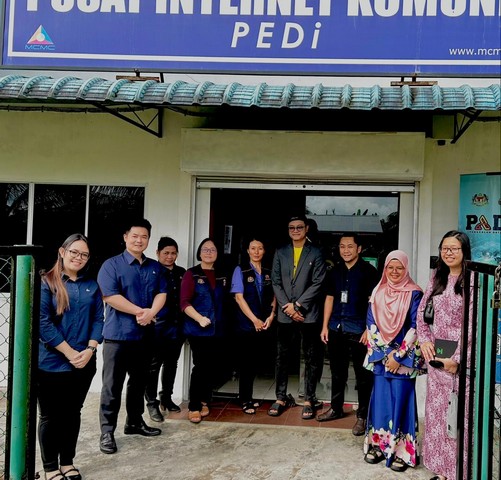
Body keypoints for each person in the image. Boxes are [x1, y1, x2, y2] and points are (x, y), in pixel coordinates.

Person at [97, 219, 167, 455]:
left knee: (139, 382)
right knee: (112, 385)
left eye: (144, 237)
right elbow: (109, 296)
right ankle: (107, 432)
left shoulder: (155, 267)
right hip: (117, 336)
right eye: (135, 236)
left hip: (145, 336)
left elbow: (162, 293)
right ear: (125, 237)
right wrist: (141, 312)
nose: (139, 240)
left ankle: (134, 422)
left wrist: (151, 313)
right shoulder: (111, 265)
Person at [38, 233, 104, 480]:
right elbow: (44, 324)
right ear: (62, 252)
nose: (79, 257)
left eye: (84, 254)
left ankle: (67, 462)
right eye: (74, 252)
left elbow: (99, 320)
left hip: (84, 362)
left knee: (72, 413)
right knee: (50, 416)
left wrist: (90, 349)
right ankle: (50, 468)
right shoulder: (47, 282)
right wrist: (70, 352)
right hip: (51, 363)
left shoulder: (92, 286)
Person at [417, 231, 472, 480]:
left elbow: (471, 325)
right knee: (437, 417)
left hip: (458, 360)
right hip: (437, 356)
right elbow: (422, 315)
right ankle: (441, 471)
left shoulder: (471, 281)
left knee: (457, 417)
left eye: (454, 248)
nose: (448, 253)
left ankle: (456, 472)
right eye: (444, 248)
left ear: (464, 252)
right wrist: (425, 341)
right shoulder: (436, 277)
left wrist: (456, 359)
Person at [363, 250, 423, 472]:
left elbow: (416, 326)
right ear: (385, 269)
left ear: (406, 269)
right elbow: (371, 323)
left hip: (403, 361)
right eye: (390, 267)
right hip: (381, 359)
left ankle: (402, 452)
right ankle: (379, 445)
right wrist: (384, 354)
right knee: (381, 403)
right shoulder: (377, 291)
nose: (394, 272)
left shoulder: (415, 293)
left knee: (401, 403)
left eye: (399, 268)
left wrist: (398, 356)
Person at [317, 234, 379, 436]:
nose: (346, 250)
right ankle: (336, 408)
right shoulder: (334, 271)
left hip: (359, 330)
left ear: (359, 249)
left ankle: (362, 415)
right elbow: (329, 298)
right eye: (342, 246)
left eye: (350, 246)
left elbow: (374, 303)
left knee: (363, 375)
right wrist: (325, 326)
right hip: (337, 327)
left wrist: (369, 329)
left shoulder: (369, 272)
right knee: (337, 371)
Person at [269, 214, 326, 419]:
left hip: (307, 314)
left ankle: (309, 399)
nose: (295, 230)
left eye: (299, 227)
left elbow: (318, 282)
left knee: (311, 357)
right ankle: (280, 397)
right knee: (282, 357)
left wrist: (298, 306)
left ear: (306, 228)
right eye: (291, 227)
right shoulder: (280, 251)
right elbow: (276, 281)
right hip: (286, 314)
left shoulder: (316, 252)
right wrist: (288, 307)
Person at [180, 238, 229, 424]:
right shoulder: (191, 274)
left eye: (213, 249)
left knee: (212, 366)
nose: (209, 252)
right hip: (198, 329)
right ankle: (194, 405)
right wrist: (199, 318)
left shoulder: (222, 275)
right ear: (199, 253)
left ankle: (204, 400)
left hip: (218, 329)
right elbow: (184, 302)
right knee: (200, 366)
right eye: (205, 249)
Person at [230, 236, 276, 414]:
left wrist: (271, 315)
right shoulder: (240, 270)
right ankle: (245, 400)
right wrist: (254, 320)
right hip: (246, 324)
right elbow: (238, 298)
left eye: (260, 248)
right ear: (248, 251)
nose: (256, 252)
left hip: (264, 323)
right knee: (246, 363)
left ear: (264, 251)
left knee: (255, 361)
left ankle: (247, 396)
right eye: (253, 248)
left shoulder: (268, 271)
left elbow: (275, 296)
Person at [144, 237, 186, 421]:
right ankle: (151, 403)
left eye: (173, 253)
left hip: (177, 326)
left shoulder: (181, 272)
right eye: (166, 253)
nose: (170, 256)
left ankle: (166, 398)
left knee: (171, 363)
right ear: (158, 253)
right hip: (157, 326)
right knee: (153, 366)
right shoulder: (151, 271)